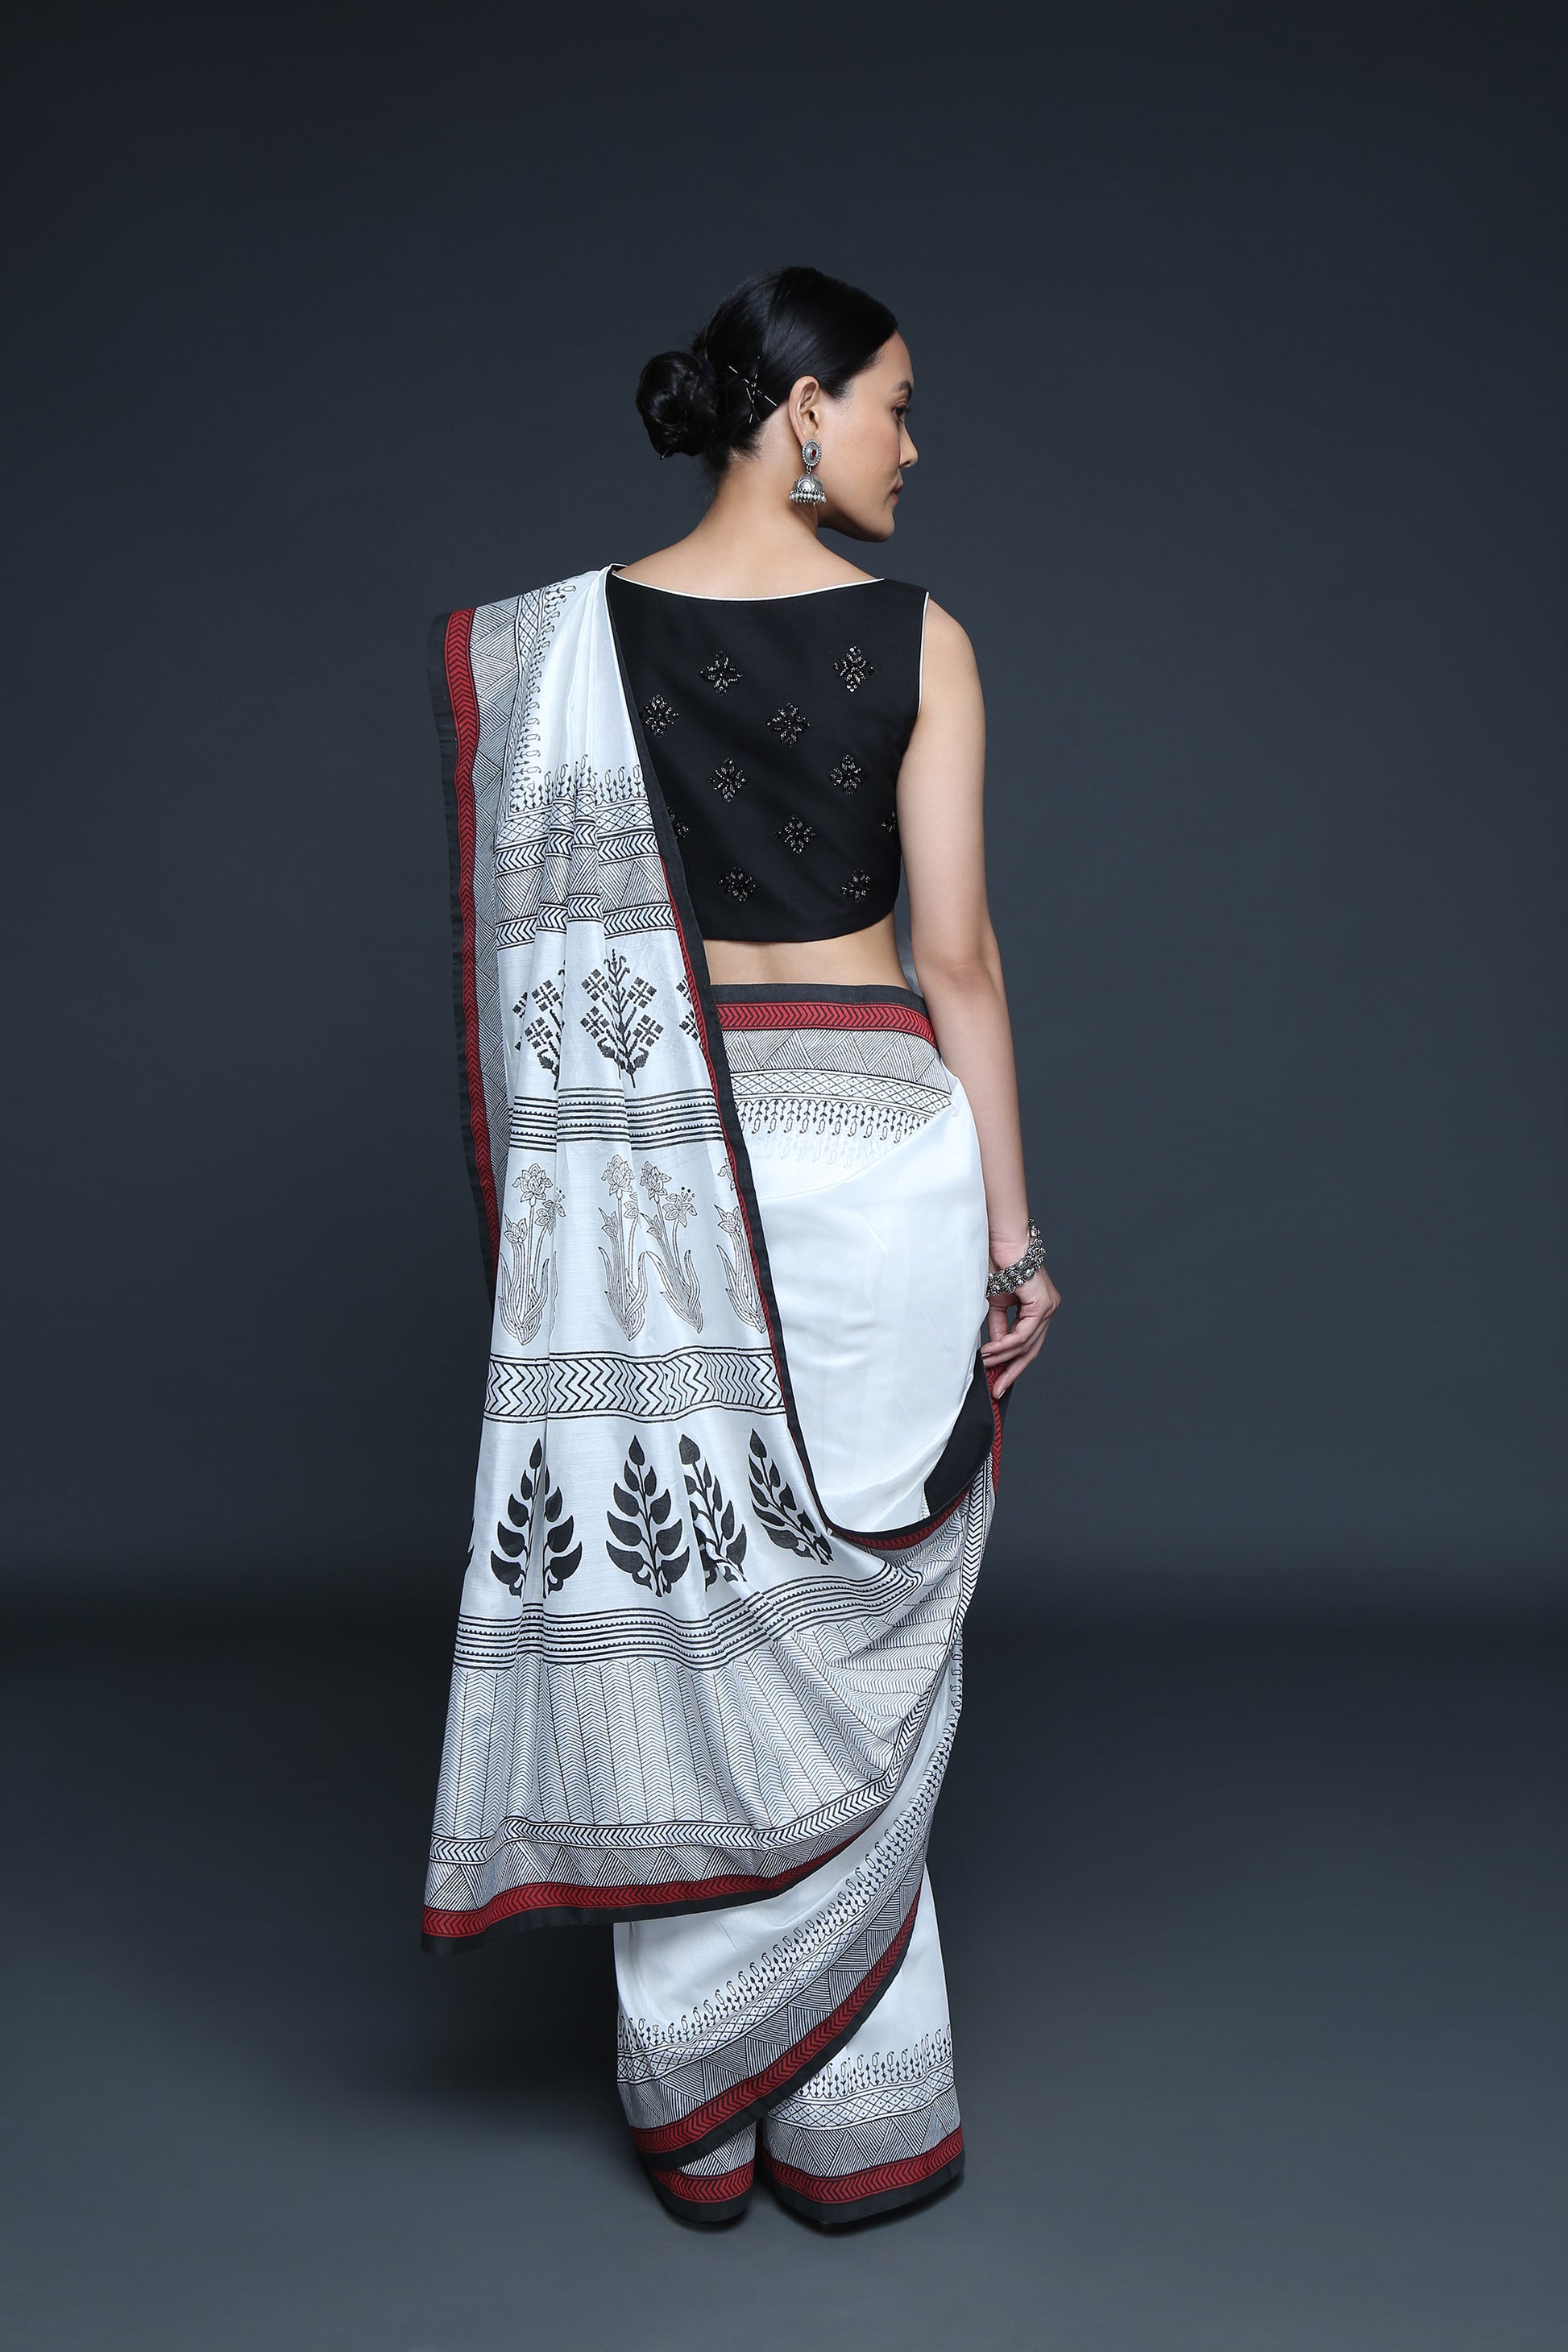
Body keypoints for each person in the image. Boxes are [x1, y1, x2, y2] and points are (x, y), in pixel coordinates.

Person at [422, 264, 1060, 2227]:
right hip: (874, 1157)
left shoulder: (556, 647)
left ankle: (695, 2103)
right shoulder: (919, 636)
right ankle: (856, 2106)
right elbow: (954, 954)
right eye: (892, 402)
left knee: (697, 1596)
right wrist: (1015, 1238)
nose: (910, 443)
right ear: (799, 411)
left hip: (660, 1163)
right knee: (853, 1598)